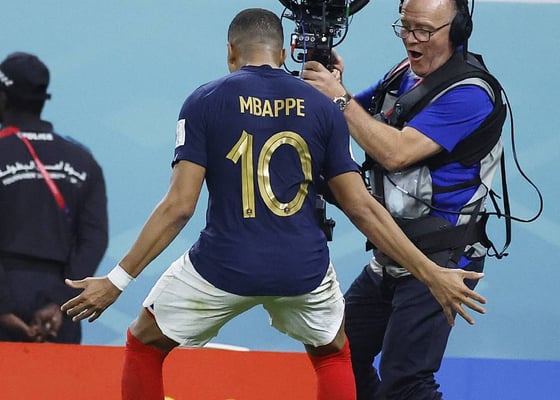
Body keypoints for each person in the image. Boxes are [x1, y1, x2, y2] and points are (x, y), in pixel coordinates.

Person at [61, 8, 486, 400]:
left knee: (144, 344)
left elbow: (179, 206)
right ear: (283, 54)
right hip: (304, 269)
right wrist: (430, 272)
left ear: (231, 52)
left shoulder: (204, 101)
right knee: (333, 353)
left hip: (223, 265)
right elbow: (361, 207)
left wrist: (115, 281)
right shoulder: (325, 108)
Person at [302, 0, 507, 398]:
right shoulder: (404, 74)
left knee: (405, 380)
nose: (412, 39)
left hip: (442, 259)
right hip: (395, 252)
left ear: (458, 30)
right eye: (405, 27)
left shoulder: (471, 94)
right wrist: (333, 88)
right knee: (337, 349)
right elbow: (357, 114)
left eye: (424, 31)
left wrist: (339, 98)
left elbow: (395, 152)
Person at [0, 52, 109, 343]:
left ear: (3, 97)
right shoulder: (82, 159)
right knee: (57, 376)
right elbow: (94, 239)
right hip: (60, 306)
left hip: (6, 288)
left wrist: (3, 306)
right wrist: (62, 303)